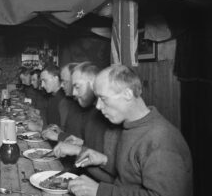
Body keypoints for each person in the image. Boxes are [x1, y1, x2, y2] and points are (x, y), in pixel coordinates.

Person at [68, 64, 193, 196]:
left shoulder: (161, 139)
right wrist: (105, 161)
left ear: (127, 94)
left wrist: (100, 191)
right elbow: (133, 176)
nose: (98, 106)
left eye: (103, 98)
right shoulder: (131, 126)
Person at [52, 62, 120, 182]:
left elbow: (118, 176)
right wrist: (78, 145)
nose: (73, 93)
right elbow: (93, 152)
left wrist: (77, 149)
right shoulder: (93, 113)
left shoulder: (113, 117)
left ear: (94, 84)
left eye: (77, 87)